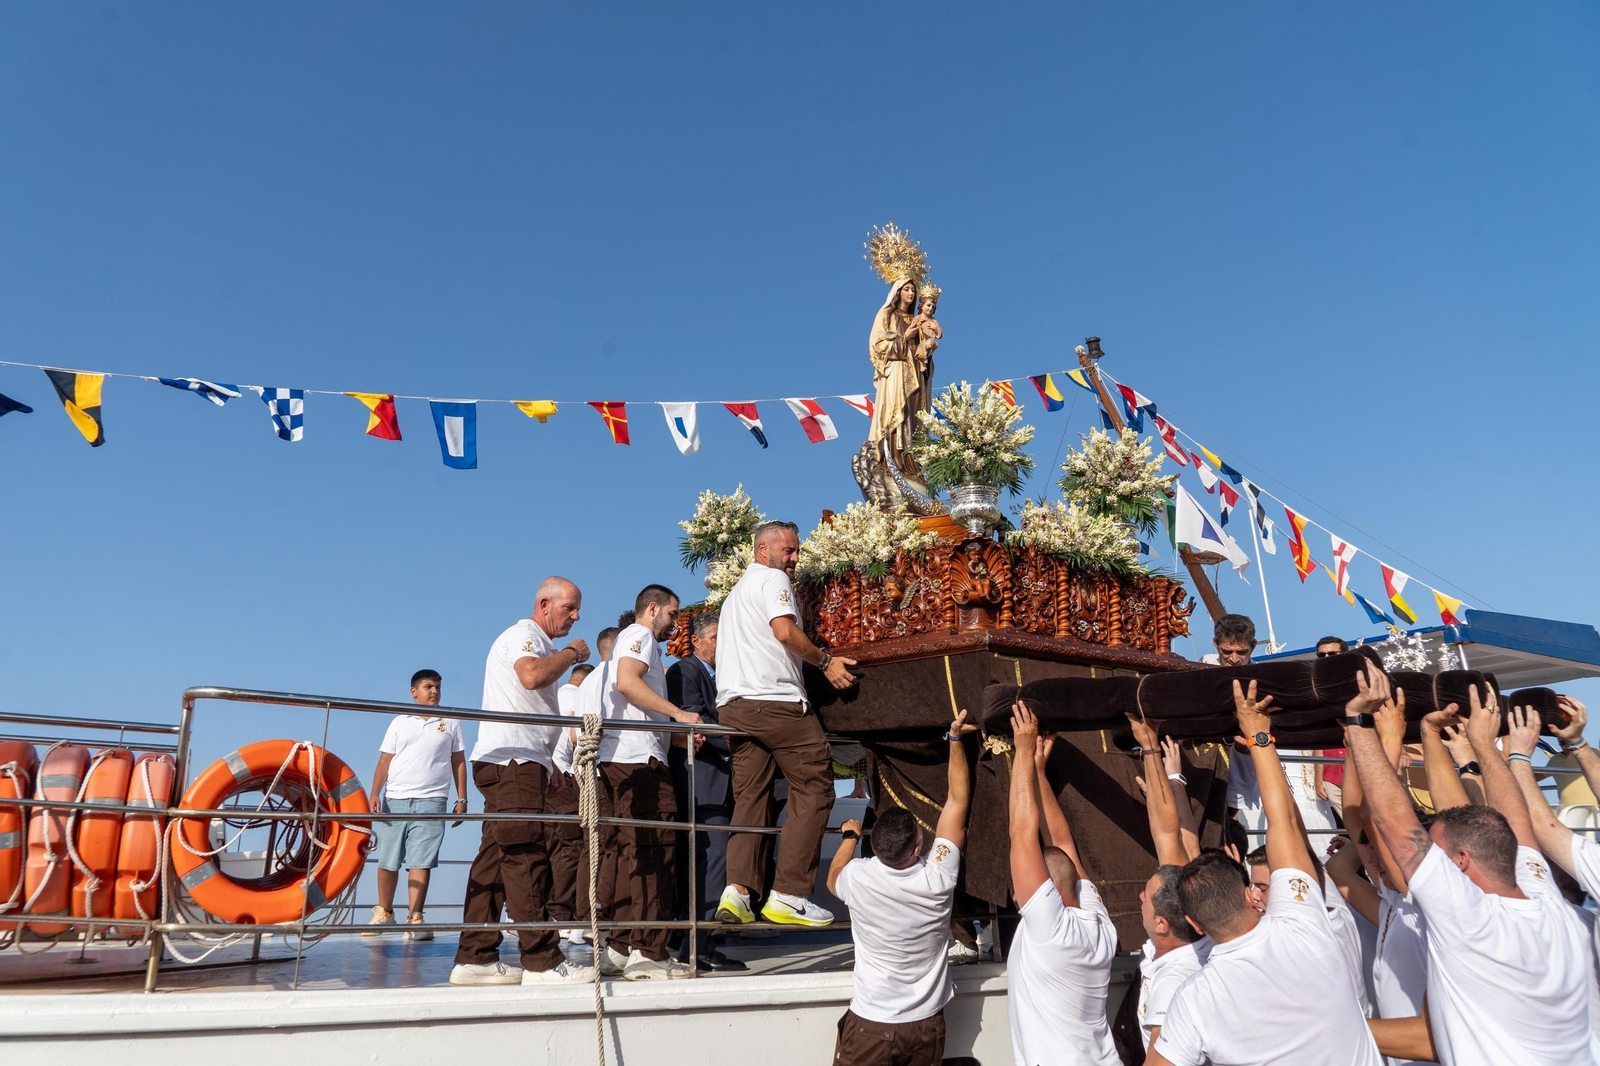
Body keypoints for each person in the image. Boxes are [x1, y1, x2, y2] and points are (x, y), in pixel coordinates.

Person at [1347, 668, 1593, 1065]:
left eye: (1436, 852)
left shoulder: (1468, 919)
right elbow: (1518, 824)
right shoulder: (1548, 900)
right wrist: (1483, 744)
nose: (1429, 859)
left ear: (1461, 862)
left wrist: (1359, 721)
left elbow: (1392, 821)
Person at [1147, 679, 1381, 1066]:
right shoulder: (1302, 924)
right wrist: (1258, 733)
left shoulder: (1193, 1000)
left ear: (1194, 923)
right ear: (1248, 895)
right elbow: (1286, 823)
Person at [714, 520, 858, 929]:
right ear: (763, 551)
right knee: (815, 785)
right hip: (775, 701)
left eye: (796, 552)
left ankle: (737, 892)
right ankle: (789, 894)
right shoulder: (772, 580)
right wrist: (826, 662)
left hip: (734, 707)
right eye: (789, 550)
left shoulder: (732, 597)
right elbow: (784, 630)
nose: (794, 559)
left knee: (751, 799)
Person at [451, 577, 593, 986]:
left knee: (496, 860)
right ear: (544, 604)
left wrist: (546, 765)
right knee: (526, 857)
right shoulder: (525, 636)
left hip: (518, 761)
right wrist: (571, 653)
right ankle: (542, 962)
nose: (576, 615)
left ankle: (475, 957)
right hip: (512, 761)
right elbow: (531, 677)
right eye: (570, 607)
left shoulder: (537, 641)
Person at [825, 709, 979, 1066]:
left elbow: (834, 876)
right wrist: (955, 739)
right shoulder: (938, 877)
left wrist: (850, 837)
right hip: (927, 1025)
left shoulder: (858, 878)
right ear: (916, 849)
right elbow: (957, 802)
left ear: (875, 847)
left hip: (870, 1026)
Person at [595, 585, 702, 980]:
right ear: (653, 609)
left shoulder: (627, 640)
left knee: (631, 854)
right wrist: (679, 714)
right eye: (673, 615)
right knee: (655, 853)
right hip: (640, 762)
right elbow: (628, 682)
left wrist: (668, 729)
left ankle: (623, 947)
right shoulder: (639, 636)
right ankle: (649, 952)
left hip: (623, 759)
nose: (675, 625)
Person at [1006, 701, 1120, 1066]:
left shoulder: (1052, 930)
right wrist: (1039, 774)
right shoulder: (1099, 922)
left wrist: (1023, 749)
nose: (1016, 894)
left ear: (1049, 894)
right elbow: (1065, 845)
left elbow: (1022, 832)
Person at [666, 611, 745, 973]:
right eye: (715, 637)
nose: (722, 644)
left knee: (719, 860)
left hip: (724, 780)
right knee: (712, 859)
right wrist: (742, 737)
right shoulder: (686, 670)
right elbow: (695, 720)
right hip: (703, 783)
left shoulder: (725, 675)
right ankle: (695, 946)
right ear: (696, 641)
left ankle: (703, 942)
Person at [365, 669, 467, 942]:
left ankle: (416, 917)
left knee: (421, 860)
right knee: (388, 859)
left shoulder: (451, 721)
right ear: (414, 692)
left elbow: (458, 761)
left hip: (433, 800)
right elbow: (385, 760)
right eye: (428, 686)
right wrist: (374, 792)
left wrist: (462, 798)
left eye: (438, 687)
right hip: (395, 798)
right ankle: (384, 912)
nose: (434, 691)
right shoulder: (399, 722)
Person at [1126, 716, 1208, 1057]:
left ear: (1162, 924)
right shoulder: (1202, 934)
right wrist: (1173, 780)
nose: (1140, 896)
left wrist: (1149, 746)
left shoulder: (1174, 982)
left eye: (1147, 896)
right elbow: (1180, 843)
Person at [548, 661, 594, 943]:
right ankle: (563, 915)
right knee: (572, 847)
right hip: (563, 775)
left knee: (550, 845)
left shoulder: (553, 694)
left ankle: (544, 913)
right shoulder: (578, 698)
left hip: (541, 770)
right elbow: (579, 740)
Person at [1212, 614, 1263, 837]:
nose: (1233, 658)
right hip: (1206, 762)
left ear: (1253, 646)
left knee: (1228, 825)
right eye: (1227, 651)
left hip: (1242, 762)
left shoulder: (1264, 677)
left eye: (1241, 652)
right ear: (1216, 644)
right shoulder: (1197, 670)